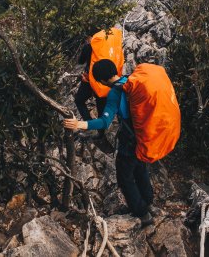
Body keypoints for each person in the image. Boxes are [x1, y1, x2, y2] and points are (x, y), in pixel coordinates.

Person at [63, 58, 180, 228]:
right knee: (140, 168)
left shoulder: (116, 92)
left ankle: (142, 212)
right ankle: (148, 201)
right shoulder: (131, 81)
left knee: (124, 176)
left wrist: (79, 124)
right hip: (143, 136)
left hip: (129, 141)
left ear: (102, 80)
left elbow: (104, 122)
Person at [73, 26, 125, 123]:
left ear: (90, 37)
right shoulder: (111, 44)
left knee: (79, 100)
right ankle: (101, 134)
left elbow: (80, 61)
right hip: (106, 80)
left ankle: (88, 124)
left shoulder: (89, 47)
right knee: (101, 108)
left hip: (90, 79)